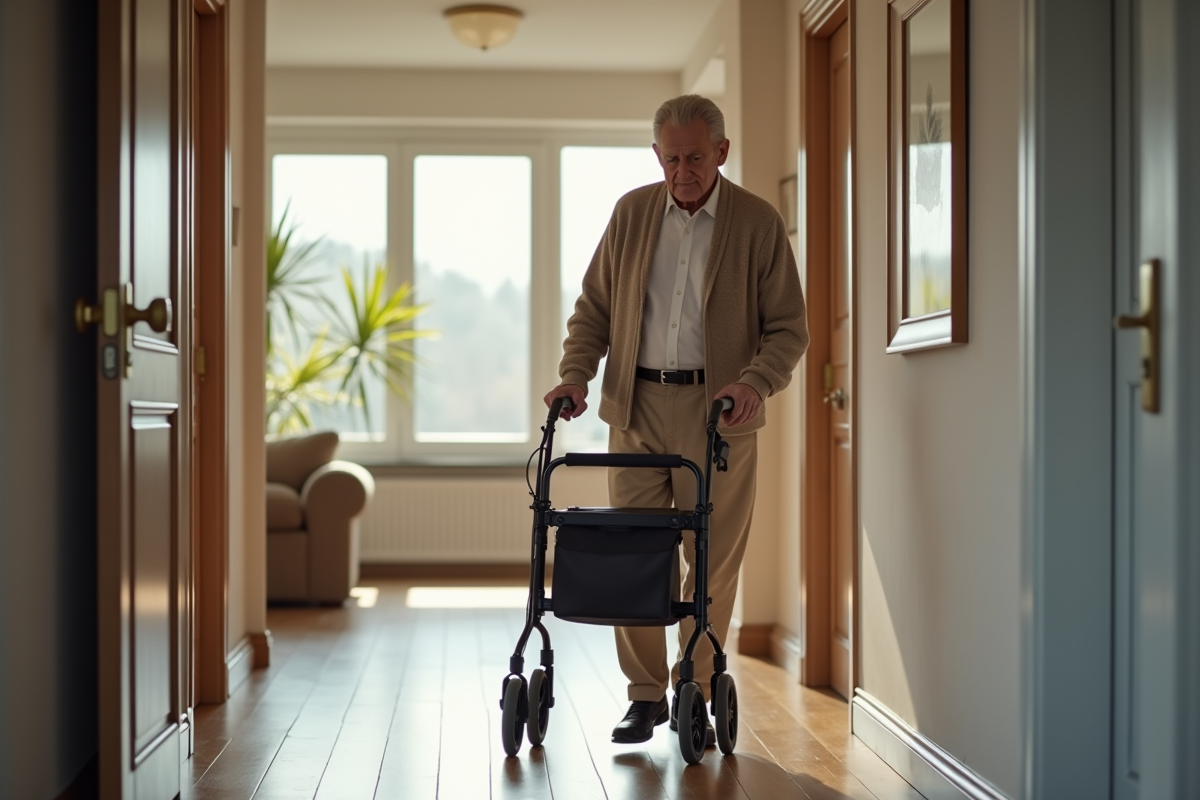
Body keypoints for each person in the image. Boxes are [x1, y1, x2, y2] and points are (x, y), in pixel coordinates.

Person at [544, 94, 810, 746]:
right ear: (657, 155)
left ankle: (694, 678)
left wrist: (754, 383)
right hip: (635, 407)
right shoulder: (633, 213)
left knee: (711, 558)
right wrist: (576, 373)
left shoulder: (757, 222)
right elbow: (594, 309)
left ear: (721, 151)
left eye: (695, 157)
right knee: (631, 551)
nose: (683, 170)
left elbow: (787, 329)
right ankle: (645, 694)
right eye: (671, 158)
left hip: (718, 412)